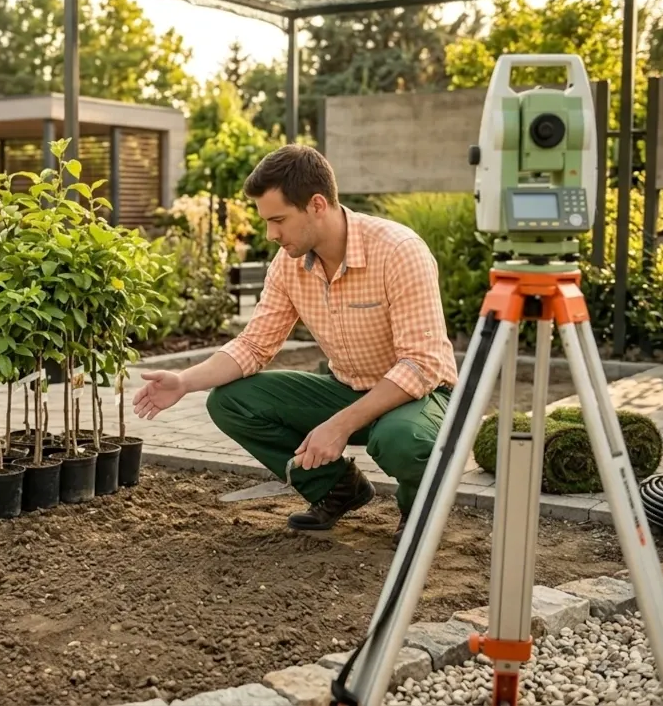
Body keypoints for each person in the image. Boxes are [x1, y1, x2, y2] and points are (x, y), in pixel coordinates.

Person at [132, 144, 458, 544]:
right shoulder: (288, 264)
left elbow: (420, 364)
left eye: (279, 220)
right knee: (230, 401)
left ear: (317, 204)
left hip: (421, 398)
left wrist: (338, 427)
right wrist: (184, 381)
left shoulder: (398, 250)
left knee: (399, 440)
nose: (270, 235)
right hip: (348, 387)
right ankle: (337, 489)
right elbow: (254, 345)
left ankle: (418, 506)